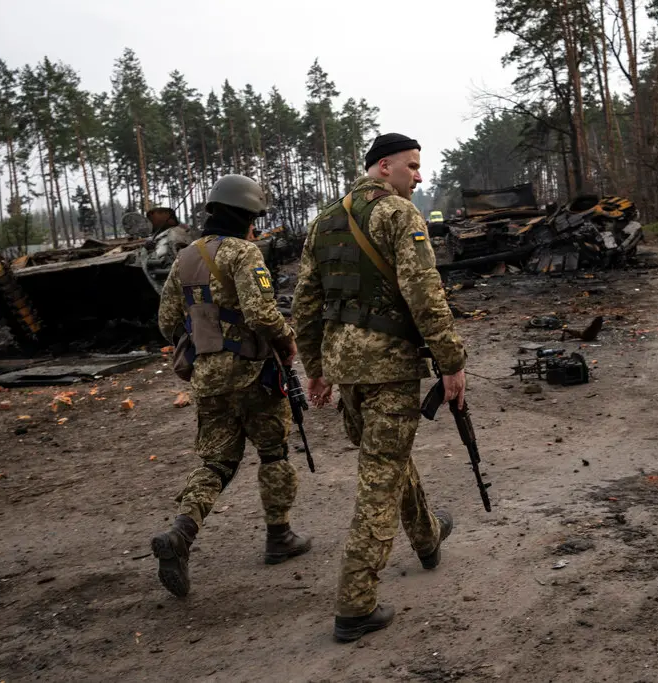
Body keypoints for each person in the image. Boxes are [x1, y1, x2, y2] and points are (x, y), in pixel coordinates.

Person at [291, 133, 467, 641]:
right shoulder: (398, 215)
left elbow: (306, 301)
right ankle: (355, 604)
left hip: (348, 370)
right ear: (383, 167)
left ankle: (428, 536)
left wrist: (318, 366)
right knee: (379, 480)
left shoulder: (324, 219)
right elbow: (425, 294)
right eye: (412, 167)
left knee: (384, 460)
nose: (419, 176)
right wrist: (451, 360)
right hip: (389, 369)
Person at [151, 174, 312, 598]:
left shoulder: (184, 258)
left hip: (206, 377)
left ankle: (181, 535)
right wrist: (287, 339)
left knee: (216, 463)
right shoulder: (246, 254)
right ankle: (279, 537)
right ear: (247, 217)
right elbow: (261, 313)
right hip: (253, 373)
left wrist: (205, 339)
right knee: (274, 453)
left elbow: (167, 323)